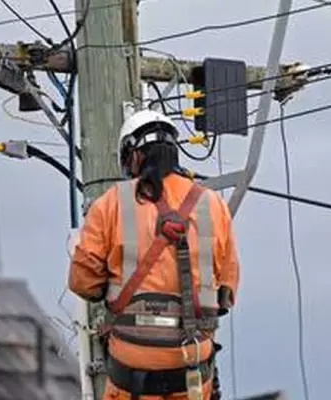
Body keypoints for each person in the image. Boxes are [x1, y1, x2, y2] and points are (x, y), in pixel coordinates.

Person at [68, 109, 240, 400]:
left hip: (131, 372)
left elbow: (83, 282)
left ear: (133, 156)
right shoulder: (213, 205)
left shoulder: (110, 204)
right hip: (193, 371)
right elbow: (226, 292)